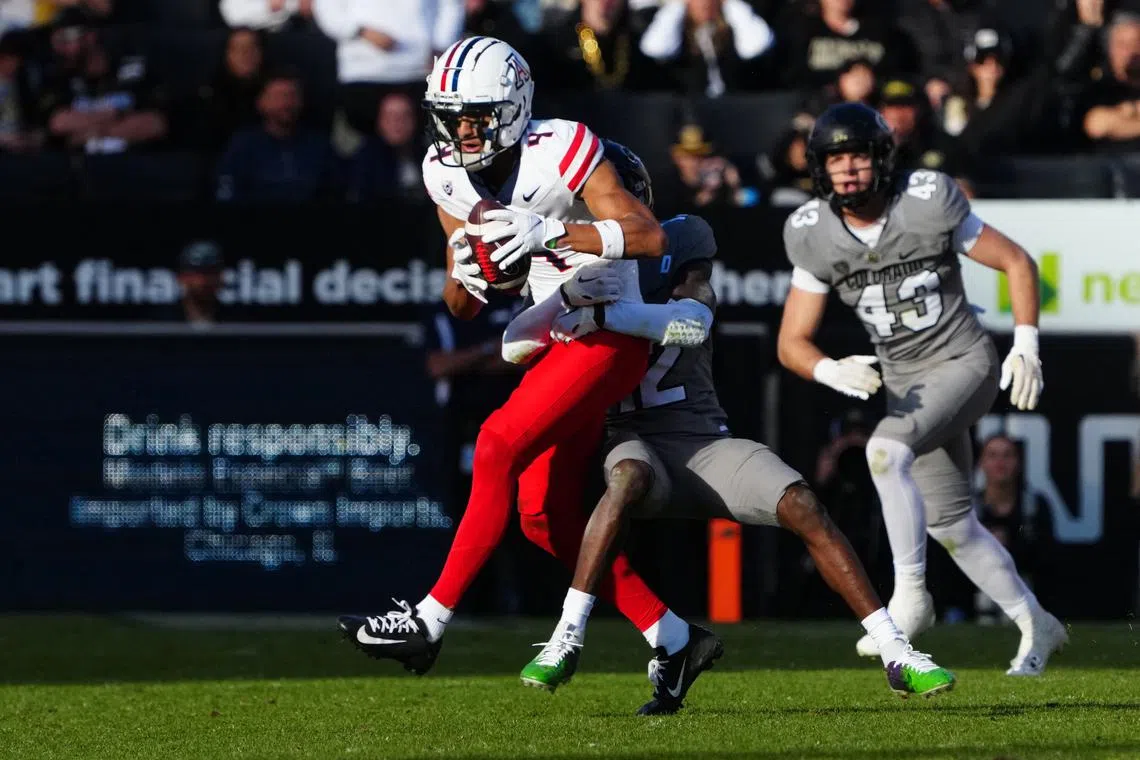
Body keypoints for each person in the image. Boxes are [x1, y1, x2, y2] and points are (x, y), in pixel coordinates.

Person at [501, 138, 956, 705]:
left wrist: (609, 314)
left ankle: (895, 651)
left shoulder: (683, 238)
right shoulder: (565, 262)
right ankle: (565, 638)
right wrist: (557, 305)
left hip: (696, 433)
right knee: (626, 480)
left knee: (801, 502)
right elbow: (512, 348)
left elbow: (692, 323)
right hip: (628, 437)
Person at [336, 38, 714, 715]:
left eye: (477, 117)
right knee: (541, 517)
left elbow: (649, 234)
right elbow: (460, 299)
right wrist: (473, 266)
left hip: (605, 326)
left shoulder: (561, 146)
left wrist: (552, 234)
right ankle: (674, 636)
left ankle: (428, 620)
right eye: (452, 117)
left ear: (512, 109)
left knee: (497, 443)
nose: (462, 133)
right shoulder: (442, 170)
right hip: (553, 335)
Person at [776, 102, 1067, 676]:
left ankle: (910, 597)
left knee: (884, 453)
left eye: (858, 155)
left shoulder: (926, 199)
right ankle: (1038, 622)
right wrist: (828, 370)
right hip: (908, 387)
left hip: (963, 360)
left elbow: (1017, 262)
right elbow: (792, 341)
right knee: (952, 524)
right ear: (818, 167)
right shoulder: (812, 234)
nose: (848, 170)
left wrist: (1026, 343)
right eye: (835, 159)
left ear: (882, 157)